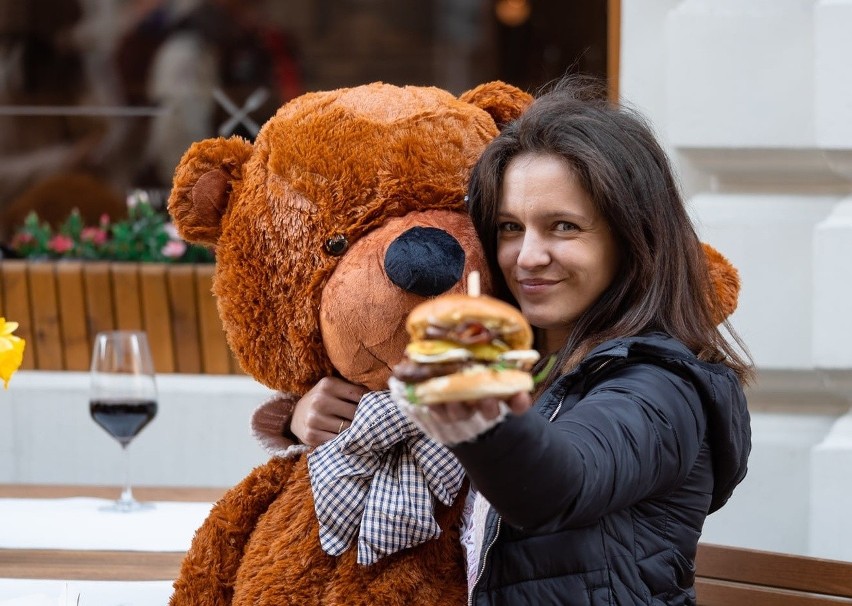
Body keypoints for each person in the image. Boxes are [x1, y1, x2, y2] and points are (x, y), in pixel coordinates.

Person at [284, 77, 753, 605]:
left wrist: (482, 419)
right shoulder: (521, 355)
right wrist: (305, 415)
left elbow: (560, 482)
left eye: (563, 227)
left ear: (632, 237)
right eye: (510, 227)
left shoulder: (662, 388)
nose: (528, 256)